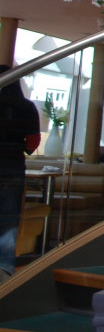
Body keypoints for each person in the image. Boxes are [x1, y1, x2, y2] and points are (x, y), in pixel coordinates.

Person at [0, 65, 42, 279]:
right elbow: (33, 141)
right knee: (8, 216)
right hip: (13, 163)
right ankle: (5, 266)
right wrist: (23, 148)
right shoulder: (26, 107)